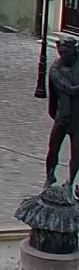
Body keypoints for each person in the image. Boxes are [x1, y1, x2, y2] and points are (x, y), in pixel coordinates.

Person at [46, 38, 79, 188]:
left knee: (77, 153)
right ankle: (50, 177)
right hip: (63, 115)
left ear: (73, 51)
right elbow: (64, 91)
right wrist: (55, 114)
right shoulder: (55, 70)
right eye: (61, 52)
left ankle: (70, 182)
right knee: (53, 148)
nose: (63, 55)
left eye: (66, 52)